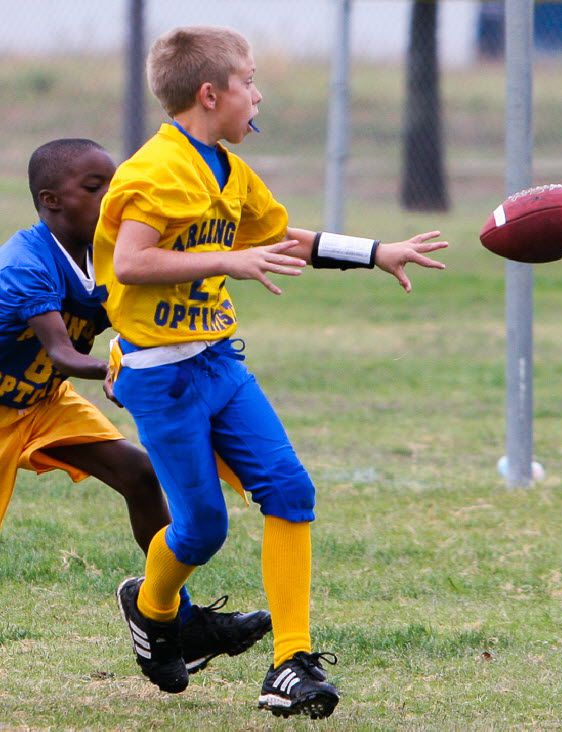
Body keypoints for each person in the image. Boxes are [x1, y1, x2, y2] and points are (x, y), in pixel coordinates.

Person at [93, 26, 447, 719]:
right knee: (201, 531)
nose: (258, 94)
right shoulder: (158, 170)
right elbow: (133, 262)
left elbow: (279, 240)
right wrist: (222, 261)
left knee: (290, 488)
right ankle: (152, 605)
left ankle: (291, 661)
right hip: (162, 379)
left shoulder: (227, 167)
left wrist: (375, 250)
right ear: (210, 93)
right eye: (250, 81)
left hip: (219, 362)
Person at [0, 138, 272, 675]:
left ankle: (176, 621)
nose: (111, 196)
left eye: (114, 183)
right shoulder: (25, 262)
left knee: (140, 475)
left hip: (43, 401)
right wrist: (124, 369)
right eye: (94, 187)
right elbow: (61, 351)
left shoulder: (111, 252)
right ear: (51, 200)